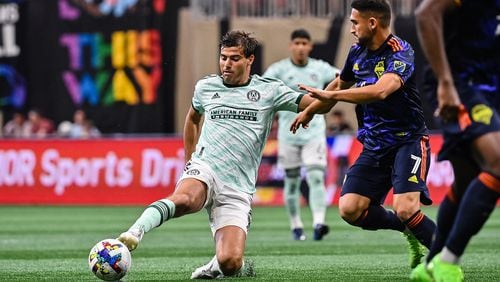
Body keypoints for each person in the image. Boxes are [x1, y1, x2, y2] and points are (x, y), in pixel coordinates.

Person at [116, 30, 317, 279]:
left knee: (231, 262)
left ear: (250, 60)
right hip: (206, 167)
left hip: (238, 185)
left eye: (234, 58)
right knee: (187, 199)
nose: (226, 64)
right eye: (223, 58)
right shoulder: (206, 87)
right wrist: (190, 160)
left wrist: (337, 90)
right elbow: (192, 118)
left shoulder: (269, 91)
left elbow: (315, 103)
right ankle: (135, 232)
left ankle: (217, 265)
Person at [290, 0, 436, 268]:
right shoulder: (357, 53)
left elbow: (381, 90)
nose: (352, 29)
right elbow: (337, 84)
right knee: (350, 209)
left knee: (406, 208)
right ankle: (407, 229)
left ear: (372, 23)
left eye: (355, 23)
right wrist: (311, 111)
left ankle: (446, 258)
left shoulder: (401, 51)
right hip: (375, 146)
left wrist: (332, 95)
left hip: (409, 141)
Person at [411, 0, 500, 281]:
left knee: (465, 180)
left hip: (489, 86)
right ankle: (448, 261)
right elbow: (426, 14)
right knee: (498, 162)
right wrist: (446, 83)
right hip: (459, 83)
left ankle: (429, 265)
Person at [263, 28, 340, 241]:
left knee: (316, 176)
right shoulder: (278, 70)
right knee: (292, 180)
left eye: (304, 43)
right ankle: (296, 225)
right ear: (291, 46)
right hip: (288, 134)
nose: (300, 47)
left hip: (313, 132)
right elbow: (262, 90)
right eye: (297, 43)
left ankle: (319, 222)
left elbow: (342, 77)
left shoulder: (319, 68)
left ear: (310, 46)